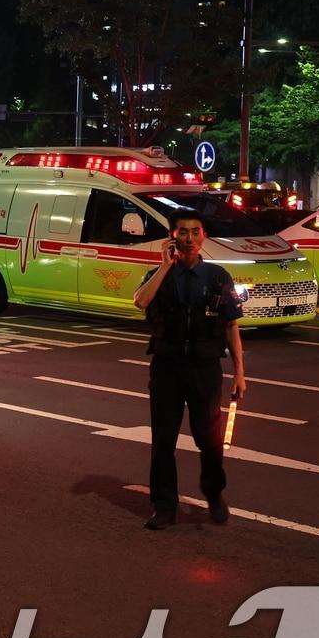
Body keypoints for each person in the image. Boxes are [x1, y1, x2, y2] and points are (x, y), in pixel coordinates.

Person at [132, 209, 247, 530]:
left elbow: (231, 325)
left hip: (205, 369)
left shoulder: (217, 276)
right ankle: (164, 506)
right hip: (167, 368)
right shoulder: (159, 273)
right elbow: (140, 302)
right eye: (183, 232)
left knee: (209, 441)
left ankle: (214, 494)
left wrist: (240, 372)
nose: (189, 238)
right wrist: (165, 266)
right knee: (163, 441)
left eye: (196, 231)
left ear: (204, 236)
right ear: (172, 236)